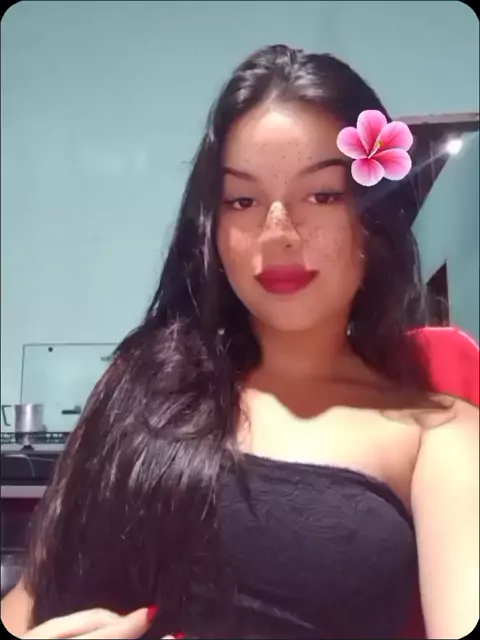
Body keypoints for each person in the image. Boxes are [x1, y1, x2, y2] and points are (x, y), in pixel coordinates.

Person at [1, 45, 478, 640]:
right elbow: (29, 600)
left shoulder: (439, 434)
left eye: (322, 194)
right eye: (243, 200)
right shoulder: (142, 382)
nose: (278, 232)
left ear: (371, 219)